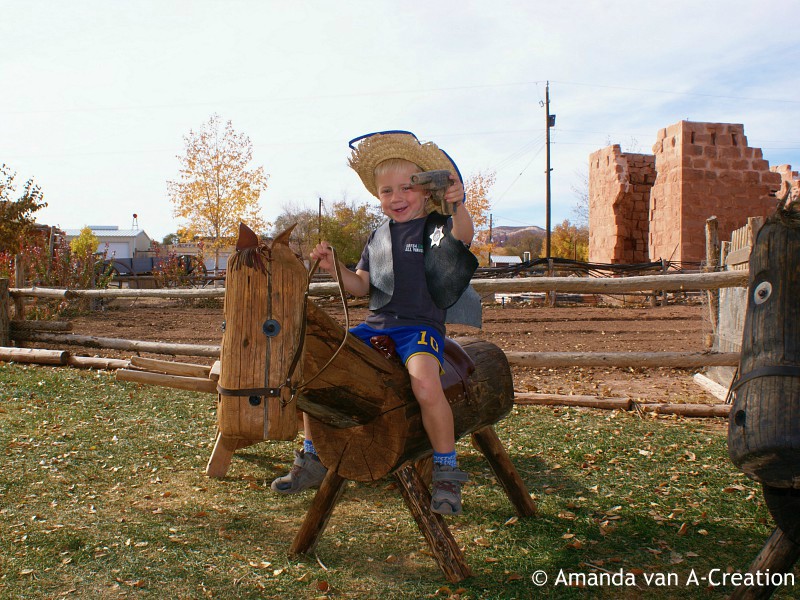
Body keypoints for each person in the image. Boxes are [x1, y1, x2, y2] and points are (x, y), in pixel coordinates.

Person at [271, 131, 480, 515]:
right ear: (377, 196)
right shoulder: (378, 237)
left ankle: (447, 472)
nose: (396, 198)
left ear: (425, 191)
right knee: (316, 368)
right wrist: (337, 267)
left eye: (406, 188)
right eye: (387, 191)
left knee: (425, 383)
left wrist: (459, 205)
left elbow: (463, 237)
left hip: (418, 327)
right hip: (376, 325)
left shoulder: (436, 227)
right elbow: (361, 287)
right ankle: (314, 456)